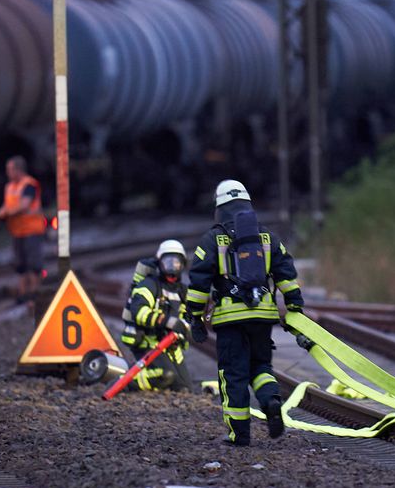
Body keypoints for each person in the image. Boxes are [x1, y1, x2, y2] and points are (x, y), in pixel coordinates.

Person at [185, 179, 304, 446]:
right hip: (263, 316)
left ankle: (239, 435)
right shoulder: (267, 237)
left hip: (230, 320)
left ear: (219, 207)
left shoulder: (213, 238)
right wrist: (295, 307)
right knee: (260, 366)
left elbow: (199, 282)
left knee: (233, 374)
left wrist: (194, 316)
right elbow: (286, 274)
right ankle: (271, 400)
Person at [119, 240, 192, 391]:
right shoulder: (149, 285)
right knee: (165, 375)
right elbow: (138, 312)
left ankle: (156, 380)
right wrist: (168, 322)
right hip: (148, 343)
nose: (172, 267)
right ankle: (125, 383)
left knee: (184, 387)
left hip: (170, 345)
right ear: (159, 263)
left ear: (183, 264)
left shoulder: (183, 291)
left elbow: (189, 314)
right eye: (167, 262)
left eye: (176, 262)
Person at [0, 156, 48, 306]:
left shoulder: (29, 185)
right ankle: (23, 294)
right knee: (20, 264)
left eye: (9, 170)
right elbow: (7, 206)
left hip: (32, 230)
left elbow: (24, 205)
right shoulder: (10, 187)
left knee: (33, 264)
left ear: (18, 170)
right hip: (18, 231)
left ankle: (34, 294)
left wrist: (6, 213)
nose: (7, 173)